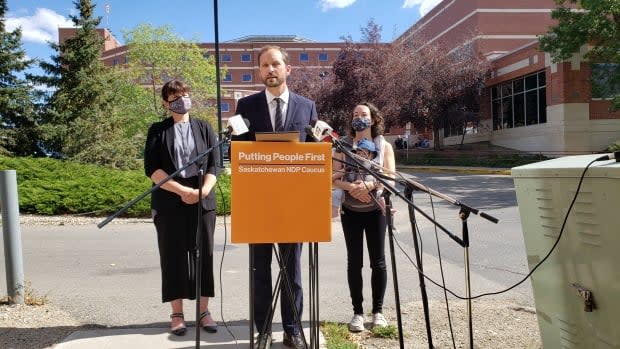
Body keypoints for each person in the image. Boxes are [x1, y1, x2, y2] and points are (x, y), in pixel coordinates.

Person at [232, 45, 318, 349]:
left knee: (293, 270)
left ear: (287, 69)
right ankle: (264, 329)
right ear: (259, 71)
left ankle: (293, 328)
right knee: (260, 269)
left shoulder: (307, 107)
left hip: (294, 204)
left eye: (276, 64)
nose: (270, 69)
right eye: (265, 65)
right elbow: (237, 153)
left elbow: (314, 155)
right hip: (258, 203)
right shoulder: (246, 107)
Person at [144, 79, 219, 336]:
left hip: (203, 197)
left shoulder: (204, 127)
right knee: (173, 255)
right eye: (175, 96)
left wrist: (203, 190)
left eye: (185, 94)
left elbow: (214, 165)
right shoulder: (157, 130)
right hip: (169, 199)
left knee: (204, 254)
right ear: (166, 103)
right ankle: (177, 314)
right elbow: (152, 169)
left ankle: (204, 311)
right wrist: (182, 191)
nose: (182, 99)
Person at [332, 102, 396, 332]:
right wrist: (351, 187)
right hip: (351, 212)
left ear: (374, 119)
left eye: (364, 114)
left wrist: (369, 184)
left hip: (375, 212)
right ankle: (357, 312)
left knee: (378, 262)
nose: (359, 117)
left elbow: (390, 177)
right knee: (354, 262)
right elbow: (332, 178)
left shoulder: (384, 146)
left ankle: (378, 311)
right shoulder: (343, 146)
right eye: (355, 114)